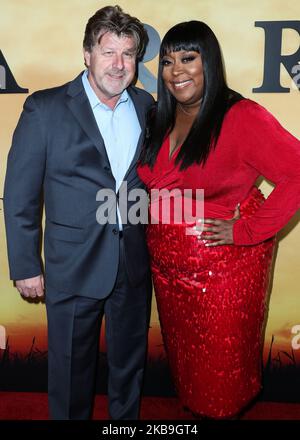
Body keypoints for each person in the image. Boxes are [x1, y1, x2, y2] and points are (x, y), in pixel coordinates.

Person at [138, 20, 300, 419]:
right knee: (189, 369)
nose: (177, 71)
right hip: (168, 270)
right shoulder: (160, 114)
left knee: (221, 376)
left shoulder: (241, 116)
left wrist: (246, 230)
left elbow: (296, 172)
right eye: (169, 61)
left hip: (222, 271)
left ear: (208, 61)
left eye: (188, 59)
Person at [4, 5, 154, 420]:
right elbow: (20, 195)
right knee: (70, 375)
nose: (119, 65)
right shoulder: (46, 109)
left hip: (132, 265)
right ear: (87, 53)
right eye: (108, 52)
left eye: (128, 54)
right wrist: (24, 265)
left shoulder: (148, 106)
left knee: (130, 372)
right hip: (71, 264)